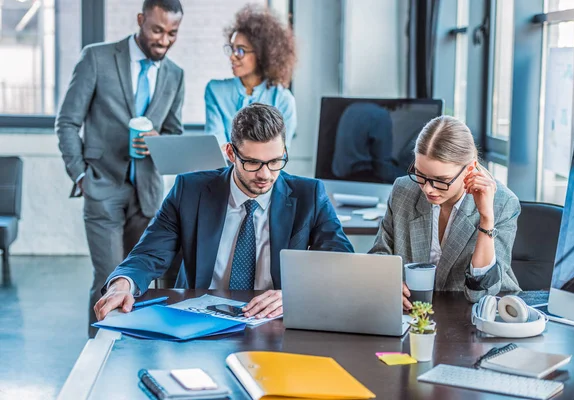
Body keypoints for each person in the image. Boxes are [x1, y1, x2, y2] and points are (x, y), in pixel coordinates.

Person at [94, 104, 353, 322]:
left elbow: (341, 261)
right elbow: (149, 253)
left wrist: (296, 293)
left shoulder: (310, 195)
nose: (265, 174)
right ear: (230, 153)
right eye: (252, 162)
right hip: (201, 317)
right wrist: (123, 284)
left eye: (275, 161)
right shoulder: (190, 190)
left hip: (274, 320)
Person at [55, 0, 185, 336]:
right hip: (102, 187)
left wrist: (159, 139)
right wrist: (81, 175)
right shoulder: (97, 57)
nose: (164, 40)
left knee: (142, 280)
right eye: (157, 30)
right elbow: (67, 122)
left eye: (172, 33)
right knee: (108, 277)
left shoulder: (175, 74)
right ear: (141, 20)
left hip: (148, 194)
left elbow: (174, 133)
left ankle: (134, 349)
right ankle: (96, 358)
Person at [369, 116, 521, 307]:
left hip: (474, 316)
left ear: (470, 169)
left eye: (440, 179)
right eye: (420, 174)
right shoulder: (404, 190)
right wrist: (388, 284)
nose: (427, 188)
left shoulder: (502, 204)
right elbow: (380, 254)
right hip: (413, 315)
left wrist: (486, 219)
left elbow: (480, 294)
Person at [204, 4, 297, 149]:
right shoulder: (215, 91)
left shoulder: (283, 100)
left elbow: (279, 154)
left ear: (262, 54)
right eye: (232, 49)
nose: (233, 57)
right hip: (225, 172)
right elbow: (216, 148)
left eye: (241, 51)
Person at [331, 102, 403, 183]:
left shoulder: (351, 108)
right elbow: (383, 168)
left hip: (340, 180)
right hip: (364, 179)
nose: (399, 106)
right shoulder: (380, 115)